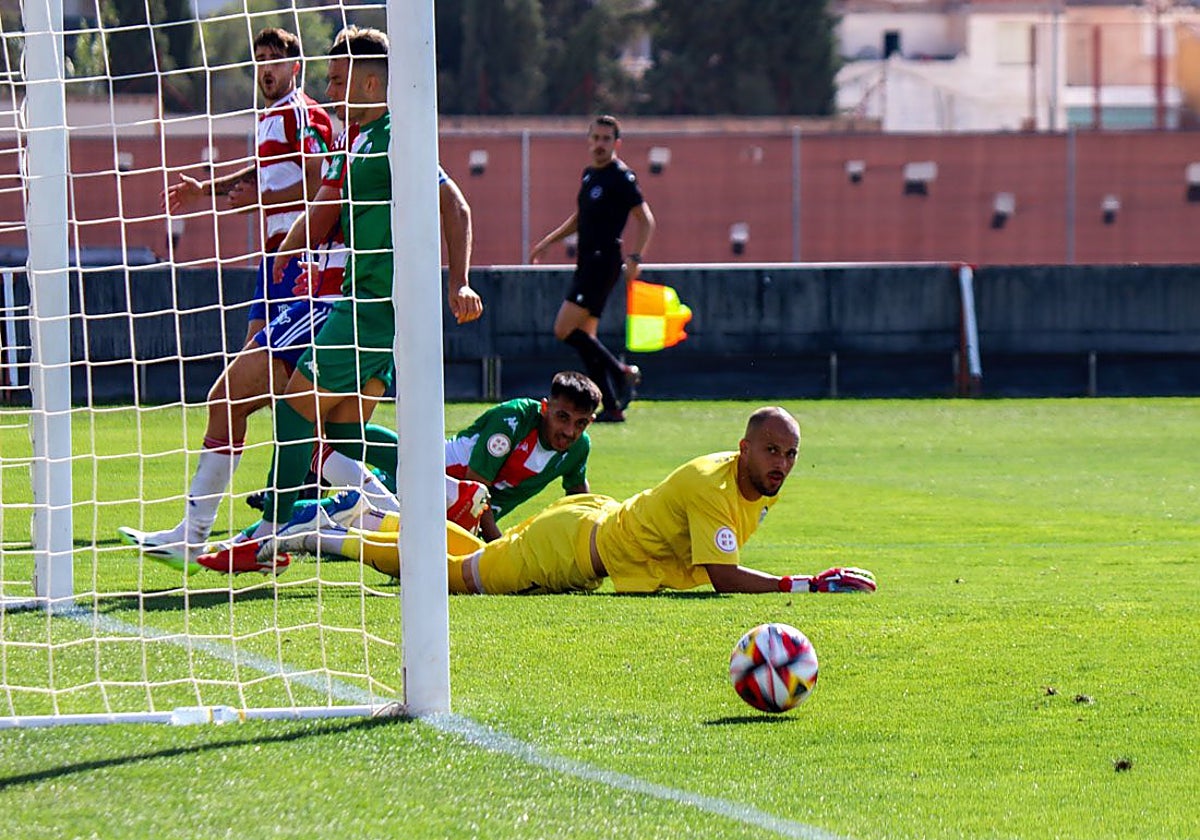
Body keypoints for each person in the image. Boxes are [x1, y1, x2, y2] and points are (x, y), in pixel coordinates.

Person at [239, 26, 482, 566]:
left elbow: (456, 207)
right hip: (359, 298)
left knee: (299, 403)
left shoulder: (400, 137)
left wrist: (459, 280)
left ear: (372, 82)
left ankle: (276, 523)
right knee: (346, 436)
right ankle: (445, 500)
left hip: (376, 304)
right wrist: (284, 253)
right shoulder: (354, 142)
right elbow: (325, 211)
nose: (329, 91)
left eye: (338, 80)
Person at [204, 407, 877, 596]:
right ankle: (319, 531)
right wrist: (806, 586)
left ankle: (365, 506)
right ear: (744, 447)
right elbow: (724, 577)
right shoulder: (713, 484)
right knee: (455, 577)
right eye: (772, 453)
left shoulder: (744, 479)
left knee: (473, 554)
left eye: (789, 455)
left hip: (584, 526)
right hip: (570, 550)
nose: (782, 465)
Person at [120, 27, 335, 570]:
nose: (265, 68)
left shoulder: (301, 112)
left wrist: (259, 200)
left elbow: (322, 181)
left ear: (296, 67)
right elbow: (258, 176)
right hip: (273, 268)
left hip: (301, 267)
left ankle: (276, 518)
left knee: (253, 395)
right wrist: (206, 191)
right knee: (266, 395)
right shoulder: (271, 116)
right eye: (259, 59)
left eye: (275, 60)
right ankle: (278, 521)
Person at [530, 115, 655, 424]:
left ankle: (621, 372)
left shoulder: (620, 177)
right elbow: (579, 218)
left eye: (606, 139)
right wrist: (549, 241)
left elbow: (646, 219)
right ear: (588, 141)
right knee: (587, 339)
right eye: (595, 138)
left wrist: (636, 257)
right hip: (586, 263)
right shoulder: (589, 175)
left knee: (564, 329)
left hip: (603, 263)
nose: (600, 144)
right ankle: (612, 406)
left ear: (616, 144)